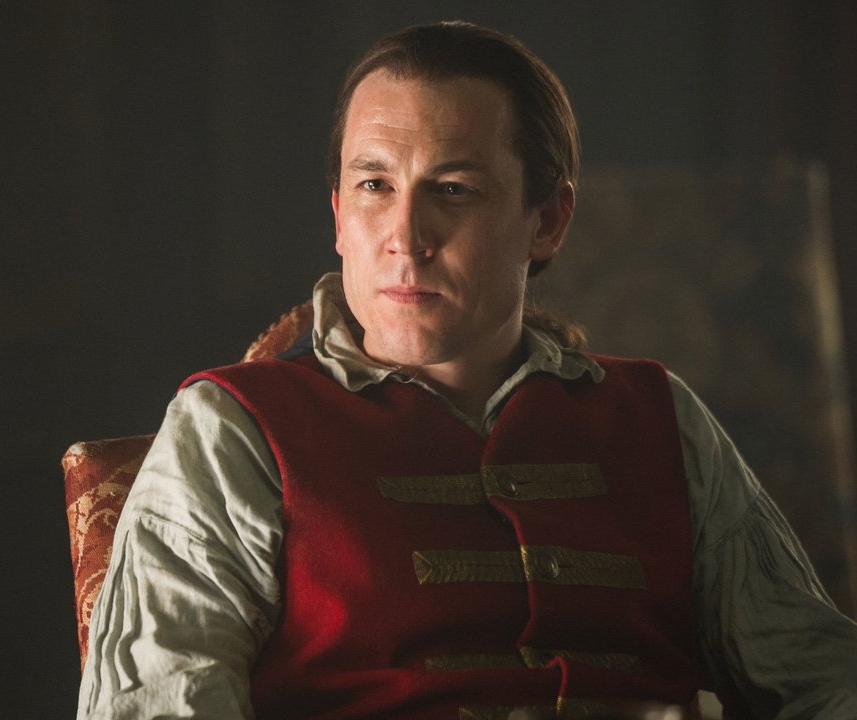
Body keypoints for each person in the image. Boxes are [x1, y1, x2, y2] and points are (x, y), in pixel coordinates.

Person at [76, 21, 857, 719]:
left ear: (547, 222)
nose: (406, 235)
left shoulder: (660, 418)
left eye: (453, 190)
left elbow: (824, 681)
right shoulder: (233, 431)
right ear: (339, 216)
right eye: (375, 185)